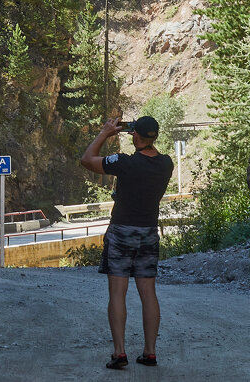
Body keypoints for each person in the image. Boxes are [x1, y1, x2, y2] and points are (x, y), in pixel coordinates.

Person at [79, 115, 174, 370]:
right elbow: (149, 155)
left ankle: (120, 352)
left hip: (121, 231)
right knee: (148, 293)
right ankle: (150, 352)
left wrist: (104, 133)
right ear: (155, 136)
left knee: (117, 293)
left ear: (135, 135)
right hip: (148, 233)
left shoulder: (124, 163)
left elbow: (87, 160)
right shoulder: (166, 164)